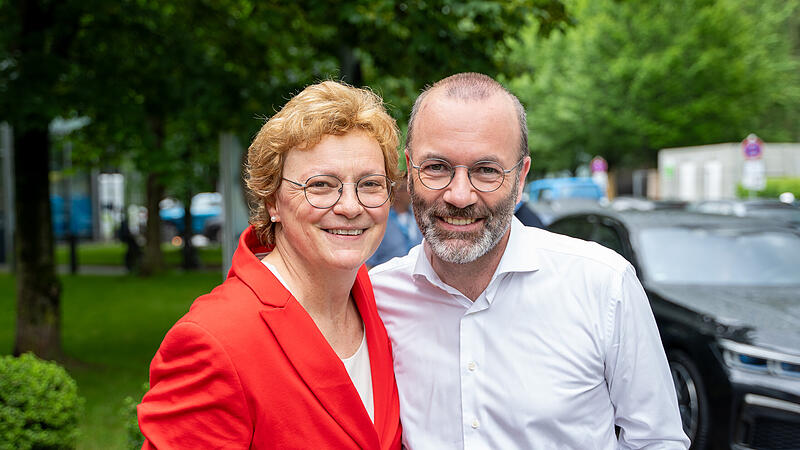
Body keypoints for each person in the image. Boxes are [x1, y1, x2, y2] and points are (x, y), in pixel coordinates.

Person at [370, 73, 689, 449]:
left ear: (520, 178)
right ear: (410, 171)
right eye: (437, 167)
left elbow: (657, 439)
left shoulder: (604, 286)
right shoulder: (377, 298)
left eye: (486, 170)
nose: (458, 195)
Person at [138, 80, 403, 449]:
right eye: (322, 185)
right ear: (273, 202)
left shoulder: (385, 307)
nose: (350, 206)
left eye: (370, 184)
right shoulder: (213, 339)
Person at [367, 174, 422, 267]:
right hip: (387, 278)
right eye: (405, 189)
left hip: (416, 277)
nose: (410, 193)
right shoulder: (381, 221)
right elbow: (368, 263)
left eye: (411, 188)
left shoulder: (419, 217)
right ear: (396, 193)